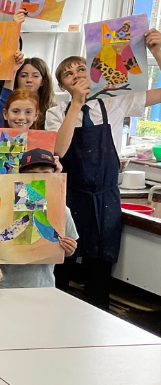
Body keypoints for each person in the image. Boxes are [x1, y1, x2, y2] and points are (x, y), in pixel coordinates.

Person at [46, 28, 161, 308]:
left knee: (99, 270)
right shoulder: (56, 113)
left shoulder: (115, 102)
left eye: (81, 69)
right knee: (63, 264)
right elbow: (58, 151)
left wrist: (157, 52)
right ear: (62, 86)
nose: (77, 75)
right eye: (68, 74)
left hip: (106, 198)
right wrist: (76, 103)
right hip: (70, 197)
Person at [0, 148, 79, 289]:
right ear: (19, 176)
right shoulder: (3, 208)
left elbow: (66, 247)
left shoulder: (61, 211)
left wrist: (69, 249)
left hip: (43, 286)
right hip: (4, 286)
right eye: (31, 174)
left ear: (55, 176)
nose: (38, 180)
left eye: (45, 174)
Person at [14, 57, 55, 130]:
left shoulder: (53, 110)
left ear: (43, 81)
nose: (29, 80)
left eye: (35, 76)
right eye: (23, 76)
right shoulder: (7, 104)